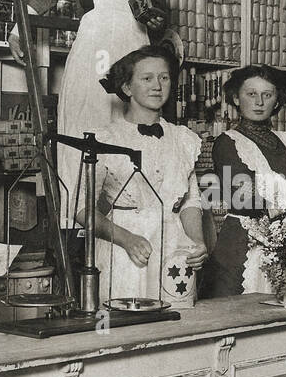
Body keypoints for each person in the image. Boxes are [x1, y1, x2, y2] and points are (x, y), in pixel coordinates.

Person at [8, 0, 170, 222]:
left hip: (134, 50)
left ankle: (129, 218)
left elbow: (159, 15)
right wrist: (18, 31)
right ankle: (80, 216)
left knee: (130, 126)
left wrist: (158, 23)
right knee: (87, 123)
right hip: (92, 52)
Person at [83, 46, 208, 303]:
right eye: (147, 78)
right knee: (128, 326)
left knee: (178, 323)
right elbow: (82, 210)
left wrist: (196, 242)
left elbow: (190, 201)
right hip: (127, 250)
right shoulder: (104, 139)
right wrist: (126, 239)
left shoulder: (183, 139)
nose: (157, 86)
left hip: (175, 247)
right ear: (127, 88)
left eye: (164, 78)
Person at [204, 65, 286, 297]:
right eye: (251, 94)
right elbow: (242, 197)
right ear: (236, 98)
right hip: (242, 248)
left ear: (277, 101)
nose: (259, 102)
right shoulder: (227, 142)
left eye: (267, 95)